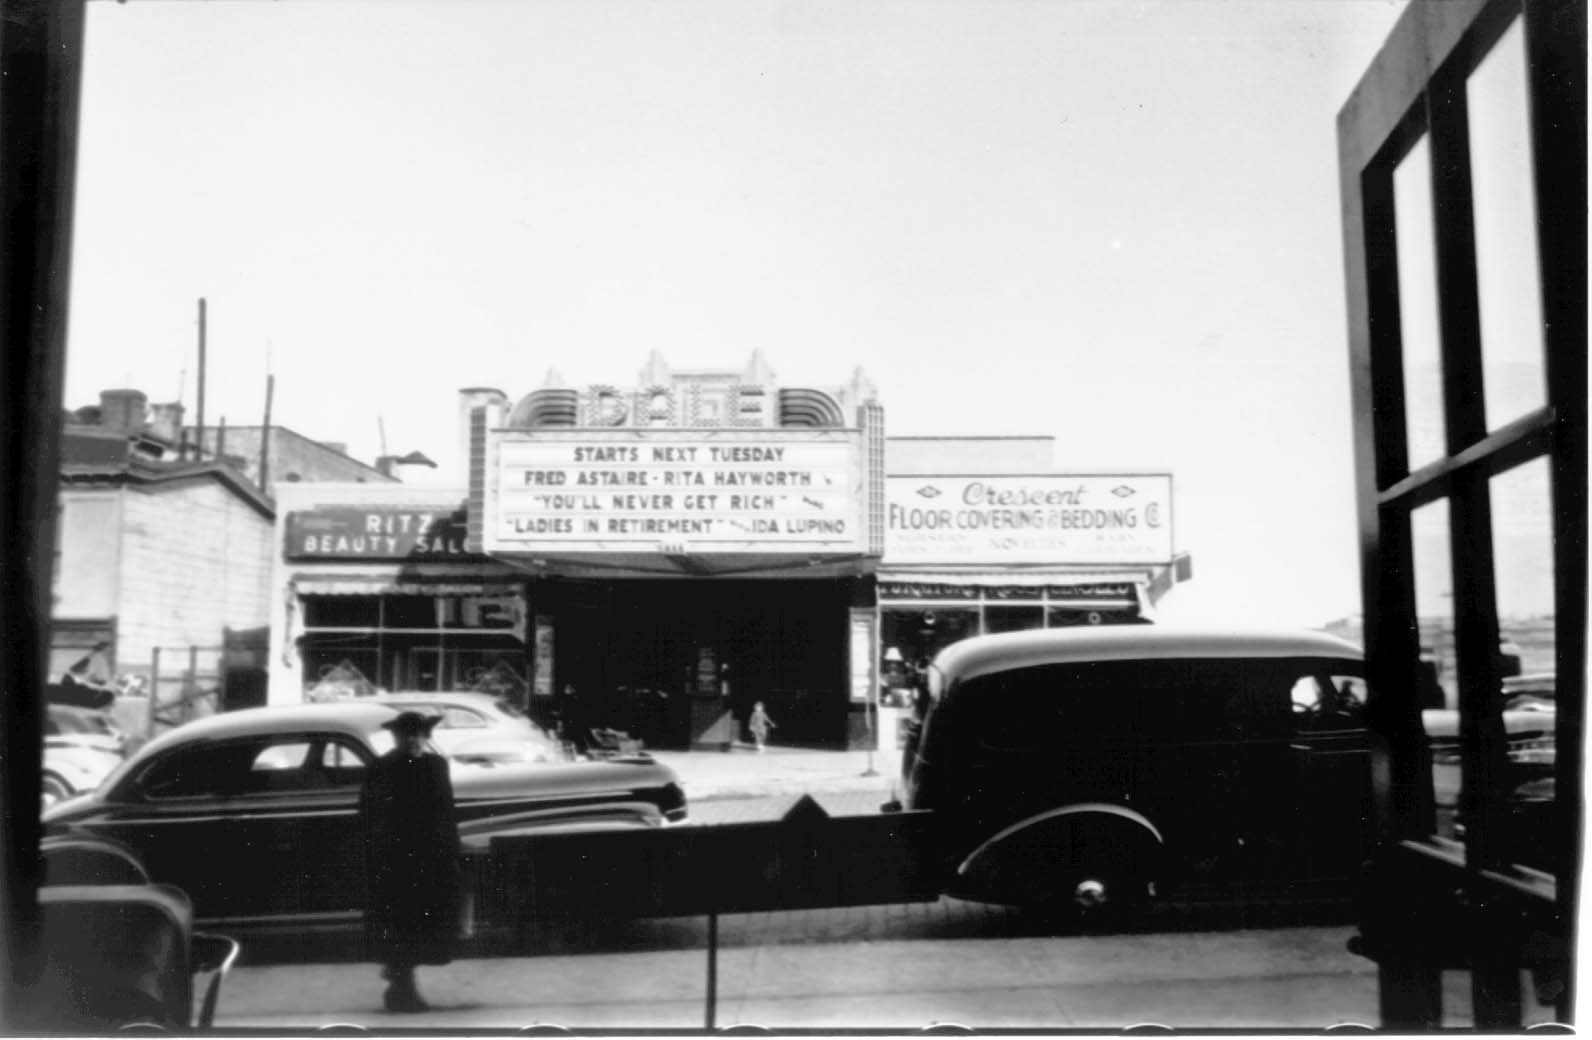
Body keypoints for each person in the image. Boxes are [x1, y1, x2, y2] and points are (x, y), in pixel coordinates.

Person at [358, 711, 462, 1013]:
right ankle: (402, 989)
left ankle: (402, 986)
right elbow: (370, 816)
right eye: (407, 735)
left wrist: (450, 852)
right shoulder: (382, 767)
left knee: (420, 925)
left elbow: (446, 812)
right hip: (396, 862)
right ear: (397, 738)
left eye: (419, 734)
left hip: (429, 860)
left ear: (426, 737)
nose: (414, 740)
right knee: (400, 925)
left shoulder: (436, 765)